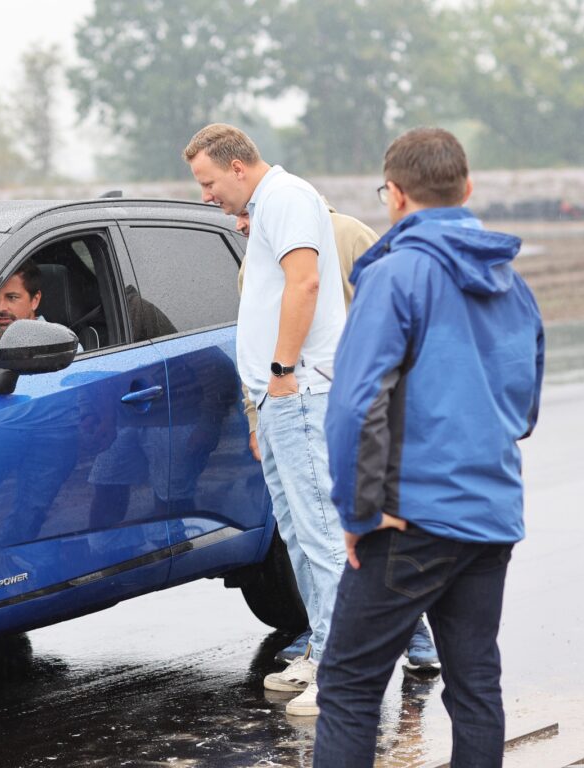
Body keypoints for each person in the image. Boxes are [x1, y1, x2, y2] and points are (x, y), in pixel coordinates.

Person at [314, 127, 544, 767]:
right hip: (490, 516)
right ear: (466, 189)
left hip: (408, 518)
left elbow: (355, 405)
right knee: (476, 688)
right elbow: (523, 411)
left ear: (394, 195)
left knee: (350, 686)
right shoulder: (511, 284)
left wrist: (360, 513)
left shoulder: (395, 277)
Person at [183, 123, 345, 717]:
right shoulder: (266, 206)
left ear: (238, 167)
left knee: (320, 531)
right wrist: (262, 399)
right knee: (299, 535)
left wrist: (281, 371)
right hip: (278, 400)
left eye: (208, 181)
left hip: (299, 391)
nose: (206, 196)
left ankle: (344, 672)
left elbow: (304, 281)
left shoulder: (286, 199)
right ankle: (324, 649)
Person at [236, 208, 441, 674]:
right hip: (291, 407)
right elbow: (250, 340)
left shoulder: (349, 235)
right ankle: (325, 627)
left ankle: (411, 625)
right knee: (314, 526)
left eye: (244, 211)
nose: (236, 223)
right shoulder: (255, 257)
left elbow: (398, 316)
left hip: (359, 402)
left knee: (370, 514)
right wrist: (255, 418)